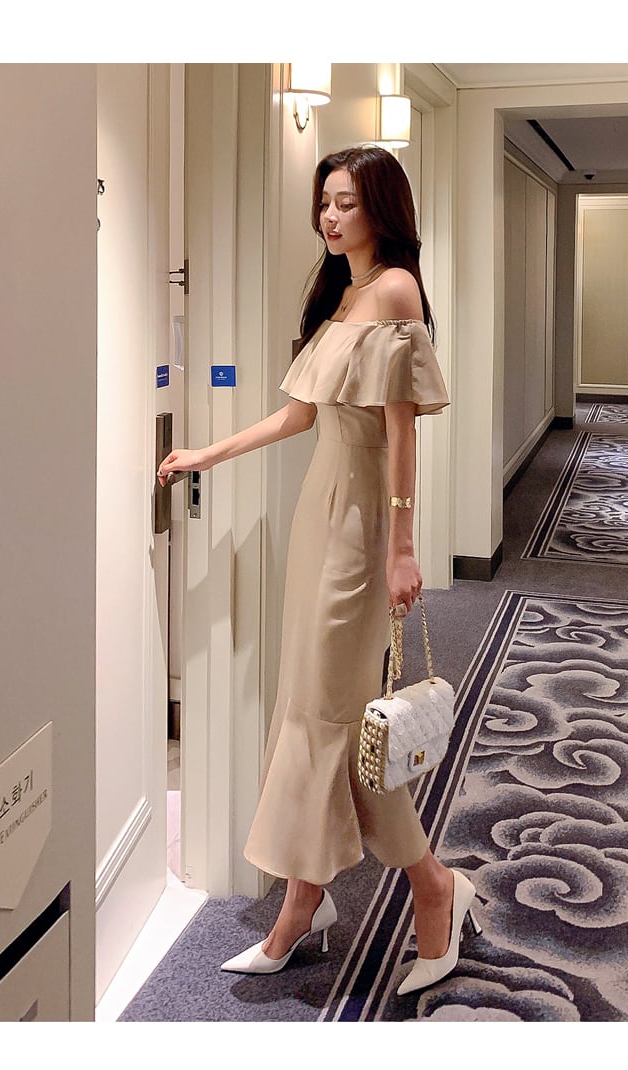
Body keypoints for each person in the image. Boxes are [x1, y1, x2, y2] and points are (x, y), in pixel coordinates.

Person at [157, 145, 480, 996]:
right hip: (319, 519)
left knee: (336, 717)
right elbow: (301, 414)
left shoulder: (397, 290)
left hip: (364, 527)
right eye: (325, 203)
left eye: (346, 204)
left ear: (381, 209)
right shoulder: (342, 293)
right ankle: (308, 900)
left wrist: (402, 546)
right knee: (310, 707)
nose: (330, 218)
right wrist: (210, 454)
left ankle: (428, 889)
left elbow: (402, 433)